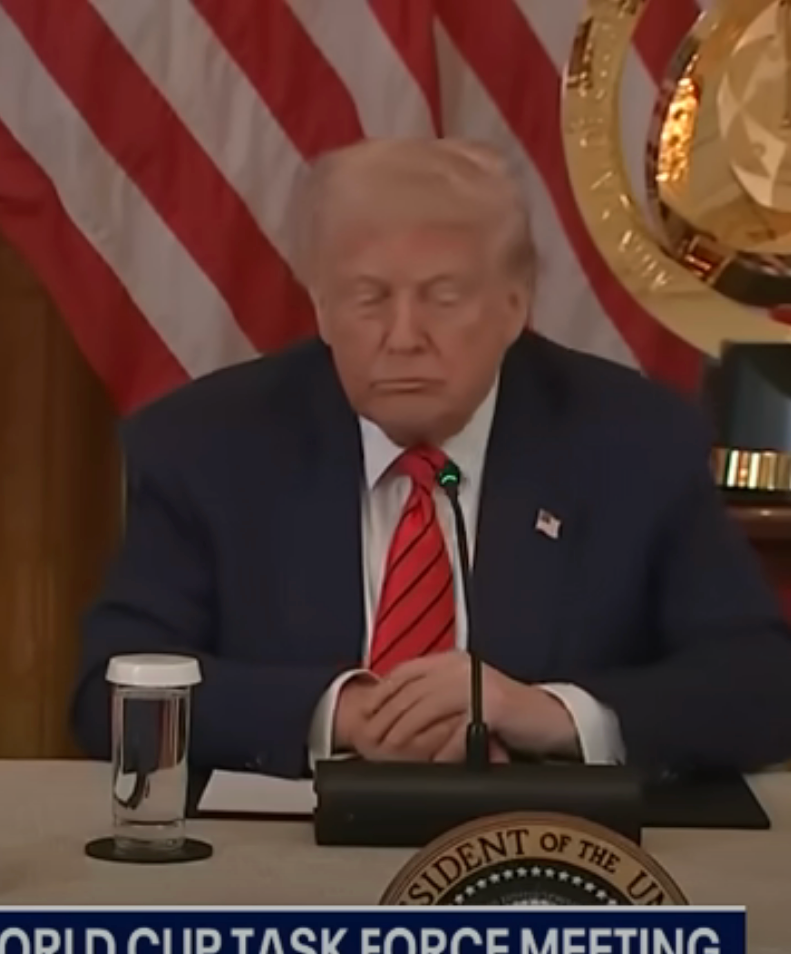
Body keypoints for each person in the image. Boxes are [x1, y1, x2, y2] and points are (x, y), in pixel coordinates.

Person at [72, 137, 791, 780]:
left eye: (443, 297)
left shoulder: (634, 442)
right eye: (369, 298)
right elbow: (109, 688)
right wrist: (343, 714)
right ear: (322, 307)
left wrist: (549, 714)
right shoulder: (210, 445)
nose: (404, 335)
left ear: (514, 306)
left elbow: (759, 686)